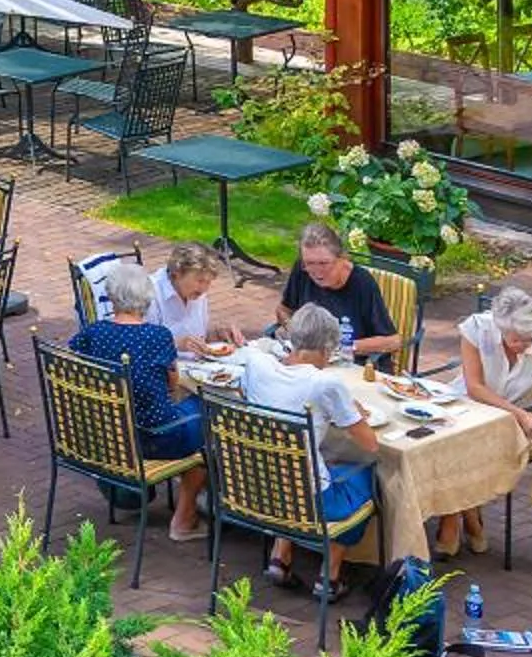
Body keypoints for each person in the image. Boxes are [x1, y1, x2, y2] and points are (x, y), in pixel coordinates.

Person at [433, 286, 532, 557]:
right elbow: (475, 387)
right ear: (500, 327)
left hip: (509, 424)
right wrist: (522, 415)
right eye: (516, 339)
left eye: (529, 339)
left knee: (464, 447)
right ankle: (470, 517)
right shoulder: (477, 329)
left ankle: (452, 520)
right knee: (440, 440)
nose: (523, 346)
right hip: (465, 405)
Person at [236, 302, 382, 586]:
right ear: (327, 349)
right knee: (369, 477)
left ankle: (281, 554)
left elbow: (244, 393)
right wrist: (349, 411)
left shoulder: (257, 364)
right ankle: (331, 574)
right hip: (310, 503)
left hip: (255, 488)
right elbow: (370, 444)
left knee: (308, 463)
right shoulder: (325, 384)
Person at [73, 265, 208, 540]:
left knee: (191, 414)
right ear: (146, 299)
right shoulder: (158, 336)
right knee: (210, 416)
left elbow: (75, 363)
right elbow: (173, 384)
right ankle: (186, 518)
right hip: (153, 437)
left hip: (111, 436)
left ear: (112, 297)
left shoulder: (93, 332)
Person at [275, 222, 397, 361]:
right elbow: (283, 310)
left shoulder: (362, 282)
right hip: (309, 362)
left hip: (352, 363)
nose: (316, 272)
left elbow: (393, 341)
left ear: (342, 258)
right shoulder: (302, 270)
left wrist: (342, 348)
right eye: (309, 263)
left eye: (324, 263)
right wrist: (294, 330)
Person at [151, 243, 238, 356]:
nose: (204, 288)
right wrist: (175, 344)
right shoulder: (150, 294)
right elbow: (138, 346)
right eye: (200, 281)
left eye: (208, 282)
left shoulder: (196, 292)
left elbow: (199, 335)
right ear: (177, 273)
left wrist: (216, 334)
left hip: (196, 363)